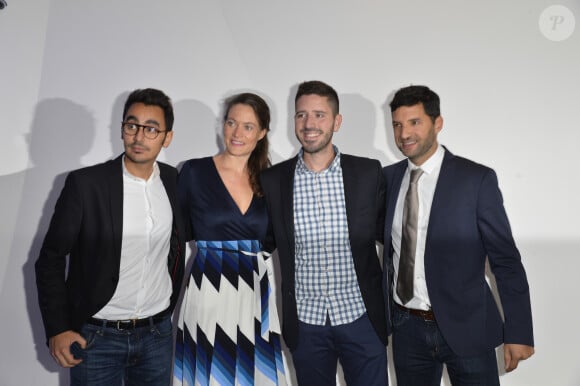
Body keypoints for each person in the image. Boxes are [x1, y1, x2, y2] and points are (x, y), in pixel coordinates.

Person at [383, 85, 534, 385]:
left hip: (467, 327)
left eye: (414, 122)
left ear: (437, 123)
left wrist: (518, 332)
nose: (404, 134)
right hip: (406, 328)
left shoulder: (476, 180)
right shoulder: (387, 179)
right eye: (397, 125)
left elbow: (505, 260)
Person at [35, 88, 186, 385]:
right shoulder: (86, 185)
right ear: (122, 130)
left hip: (157, 334)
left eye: (151, 129)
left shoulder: (173, 181)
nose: (139, 136)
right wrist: (58, 328)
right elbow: (50, 259)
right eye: (132, 126)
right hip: (97, 337)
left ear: (167, 137)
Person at [260, 81, 388, 386]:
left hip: (361, 318)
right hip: (306, 323)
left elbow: (393, 235)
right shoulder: (274, 180)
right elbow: (261, 241)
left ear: (336, 121)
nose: (309, 124)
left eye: (319, 114)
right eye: (301, 115)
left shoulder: (367, 173)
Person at [173, 92, 286, 386]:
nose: (237, 133)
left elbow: (274, 237)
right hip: (208, 288)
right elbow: (177, 233)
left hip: (251, 291)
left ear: (261, 133)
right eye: (232, 123)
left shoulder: (271, 180)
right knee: (210, 374)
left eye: (248, 126)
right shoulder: (194, 172)